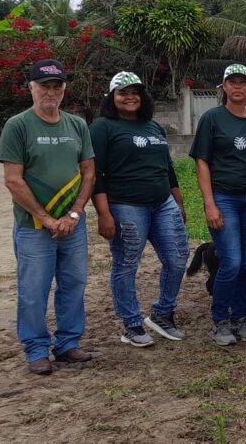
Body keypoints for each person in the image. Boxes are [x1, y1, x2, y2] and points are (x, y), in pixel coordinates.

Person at [0, 59, 95, 375]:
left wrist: (75, 213)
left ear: (64, 90)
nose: (50, 92)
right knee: (33, 290)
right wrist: (47, 218)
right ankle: (36, 350)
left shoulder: (77, 125)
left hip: (73, 225)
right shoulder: (18, 126)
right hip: (34, 227)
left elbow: (88, 172)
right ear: (32, 88)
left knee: (74, 283)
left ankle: (67, 343)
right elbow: (13, 180)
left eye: (56, 86)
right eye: (44, 86)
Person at [89, 71, 189, 348]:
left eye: (135, 92)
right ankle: (131, 324)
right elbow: (95, 174)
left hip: (163, 204)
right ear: (112, 97)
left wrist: (178, 202)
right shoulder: (103, 127)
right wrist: (104, 213)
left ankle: (162, 313)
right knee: (127, 263)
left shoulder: (153, 127)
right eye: (122, 93)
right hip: (125, 205)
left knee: (178, 258)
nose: (130, 97)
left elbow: (168, 168)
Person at [190, 63, 246, 348]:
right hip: (224, 199)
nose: (238, 87)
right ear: (224, 87)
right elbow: (202, 162)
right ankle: (220, 321)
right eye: (232, 82)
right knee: (231, 262)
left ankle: (240, 318)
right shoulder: (212, 118)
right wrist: (210, 204)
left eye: (243, 82)